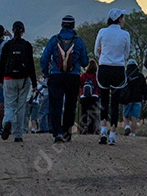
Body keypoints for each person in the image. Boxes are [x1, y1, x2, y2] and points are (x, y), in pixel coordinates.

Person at [41, 14, 90, 143]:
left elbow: (44, 59)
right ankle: (67, 133)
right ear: (73, 26)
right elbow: (85, 62)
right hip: (73, 77)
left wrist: (46, 75)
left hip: (56, 77)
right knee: (70, 105)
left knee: (55, 105)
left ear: (62, 25)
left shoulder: (54, 40)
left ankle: (57, 132)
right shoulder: (78, 41)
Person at [93, 8, 131, 146]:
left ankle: (103, 129)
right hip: (118, 69)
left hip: (104, 68)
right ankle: (112, 135)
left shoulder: (102, 32)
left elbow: (96, 51)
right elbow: (126, 54)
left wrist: (105, 56)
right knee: (115, 102)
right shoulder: (125, 34)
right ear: (119, 19)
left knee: (104, 100)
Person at [0, 20, 38, 142]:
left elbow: (2, 64)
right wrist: (35, 83)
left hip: (8, 78)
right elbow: (31, 65)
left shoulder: (7, 46)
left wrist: (0, 79)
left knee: (9, 105)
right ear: (23, 31)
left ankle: (7, 122)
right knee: (21, 107)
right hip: (24, 79)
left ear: (13, 30)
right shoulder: (27, 45)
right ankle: (18, 134)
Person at [121, 59, 147, 136]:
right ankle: (133, 133)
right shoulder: (140, 76)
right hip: (138, 100)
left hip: (127, 100)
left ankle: (126, 127)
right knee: (134, 117)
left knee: (125, 115)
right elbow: (144, 88)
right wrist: (146, 98)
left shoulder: (125, 75)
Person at [77, 60, 99, 135]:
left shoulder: (83, 75)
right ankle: (91, 129)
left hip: (84, 96)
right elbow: (98, 86)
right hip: (94, 96)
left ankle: (83, 128)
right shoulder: (96, 76)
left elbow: (80, 85)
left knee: (84, 113)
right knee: (92, 114)